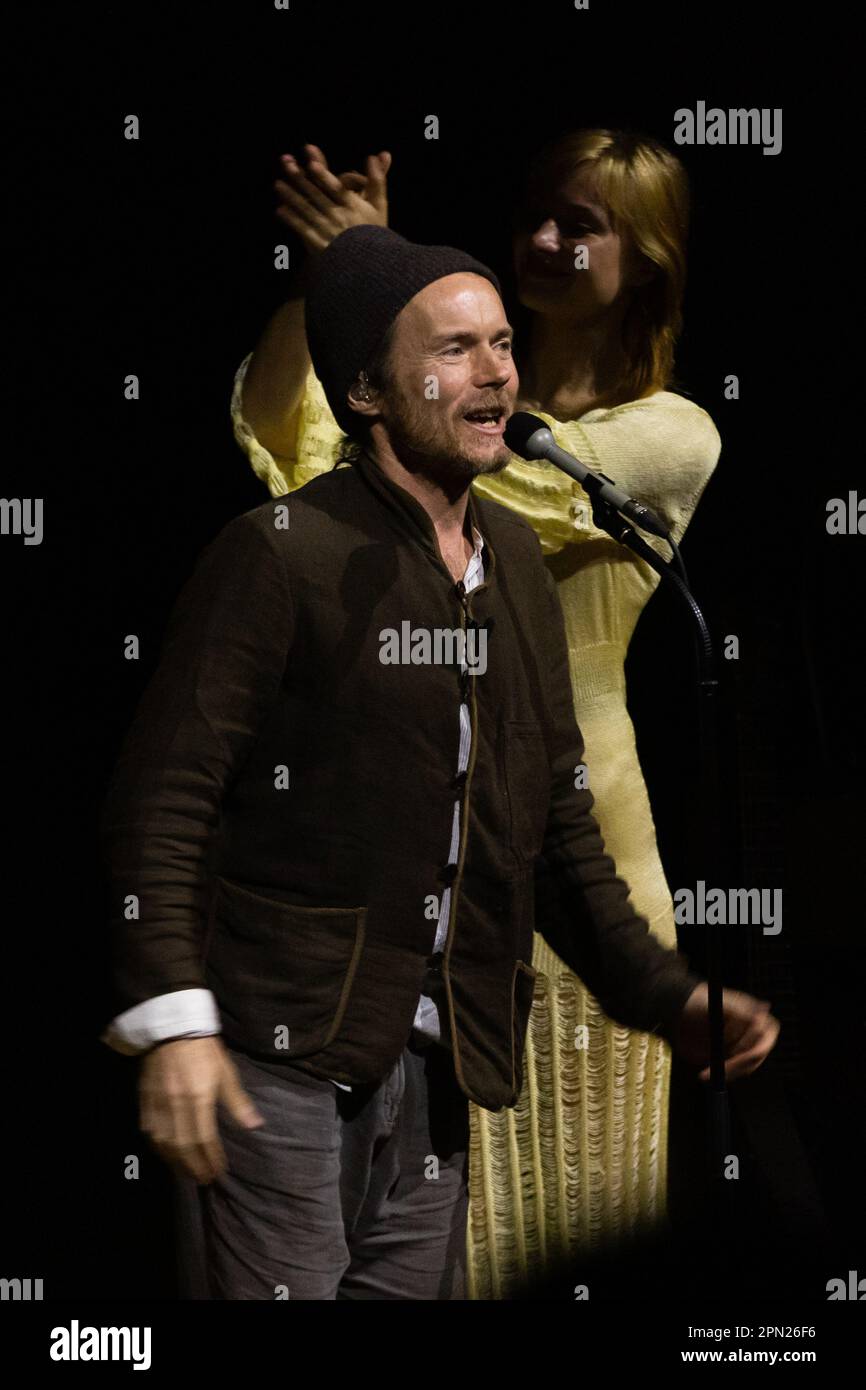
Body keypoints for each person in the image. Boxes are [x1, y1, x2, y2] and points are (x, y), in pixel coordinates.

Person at [99, 225, 779, 1302]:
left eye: (502, 343)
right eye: (455, 349)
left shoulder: (513, 565)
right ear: (368, 391)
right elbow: (163, 802)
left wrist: (668, 998)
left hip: (439, 1067)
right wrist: (173, 1020)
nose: (497, 371)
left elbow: (557, 829)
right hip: (277, 1056)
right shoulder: (280, 552)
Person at [230, 130, 728, 1295]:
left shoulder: (669, 435)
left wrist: (374, 275)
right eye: (538, 213)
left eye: (581, 226)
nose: (543, 240)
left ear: (646, 261)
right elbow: (295, 456)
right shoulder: (440, 401)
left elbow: (464, 483)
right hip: (422, 868)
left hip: (576, 870)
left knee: (569, 1243)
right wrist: (336, 285)